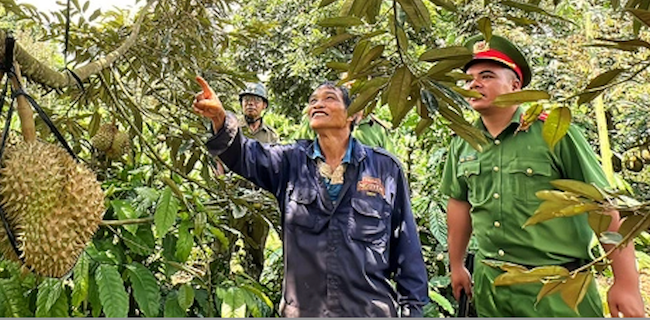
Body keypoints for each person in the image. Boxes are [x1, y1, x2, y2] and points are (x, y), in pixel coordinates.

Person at [441, 35, 645, 317]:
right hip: (493, 292)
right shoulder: (463, 143)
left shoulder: (555, 133)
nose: (474, 84)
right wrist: (456, 265)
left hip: (557, 291)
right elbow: (459, 205)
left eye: (486, 76)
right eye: (469, 79)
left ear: (515, 85)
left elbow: (603, 203)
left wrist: (626, 282)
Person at [193, 76, 428, 317]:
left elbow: (407, 247)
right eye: (313, 100)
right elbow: (244, 155)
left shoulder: (385, 169)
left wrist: (413, 310)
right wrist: (220, 118)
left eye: (329, 98)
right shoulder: (290, 161)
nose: (317, 104)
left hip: (368, 311)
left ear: (352, 114)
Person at [219, 83, 279, 279]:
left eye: (256, 100)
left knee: (256, 248)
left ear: (264, 106)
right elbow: (218, 157)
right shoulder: (231, 128)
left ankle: (252, 286)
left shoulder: (271, 135)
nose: (251, 104)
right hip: (233, 196)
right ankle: (215, 286)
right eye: (247, 100)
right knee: (222, 244)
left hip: (259, 199)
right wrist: (222, 184)